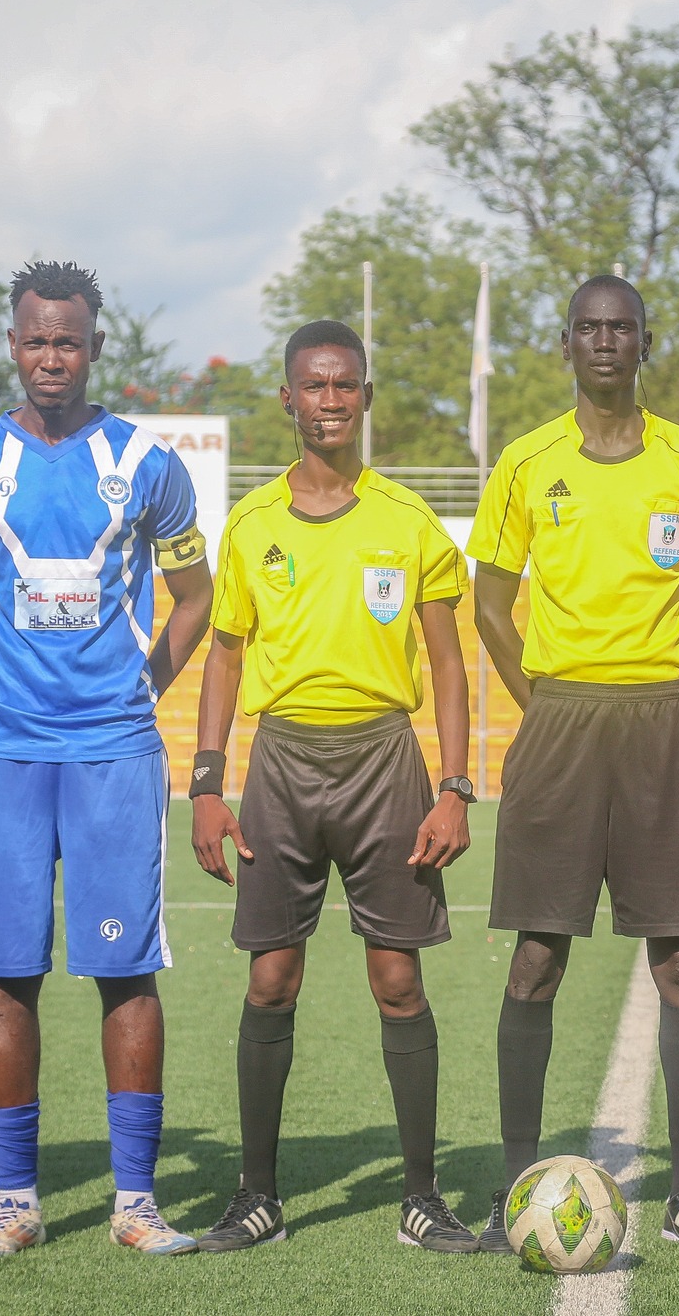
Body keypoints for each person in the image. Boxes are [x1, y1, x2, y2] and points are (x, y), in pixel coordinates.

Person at [0, 261, 215, 1258]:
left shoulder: (148, 463)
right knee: (6, 974)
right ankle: (16, 1205)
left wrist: (140, 689)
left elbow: (196, 598)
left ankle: (136, 1204)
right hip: (0, 751)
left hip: (113, 751)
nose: (52, 356)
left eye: (69, 341)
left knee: (125, 972)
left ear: (95, 348)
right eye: (37, 340)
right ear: (13, 344)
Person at [467, 275, 679, 1254]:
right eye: (587, 328)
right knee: (537, 954)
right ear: (565, 343)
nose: (603, 341)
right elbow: (489, 602)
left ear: (642, 342)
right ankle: (516, 1185)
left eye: (619, 327)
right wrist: (540, 703)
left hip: (659, 720)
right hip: (560, 719)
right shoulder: (525, 462)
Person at [189, 320, 478, 1254]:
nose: (330, 400)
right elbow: (224, 657)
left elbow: (448, 661)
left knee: (397, 977)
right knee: (271, 977)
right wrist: (205, 784)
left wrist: (456, 786)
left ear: (365, 396)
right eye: (314, 385)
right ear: (288, 398)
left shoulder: (408, 519)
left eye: (345, 384)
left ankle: (422, 1198)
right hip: (281, 764)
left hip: (384, 761)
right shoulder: (251, 524)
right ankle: (257, 1197)